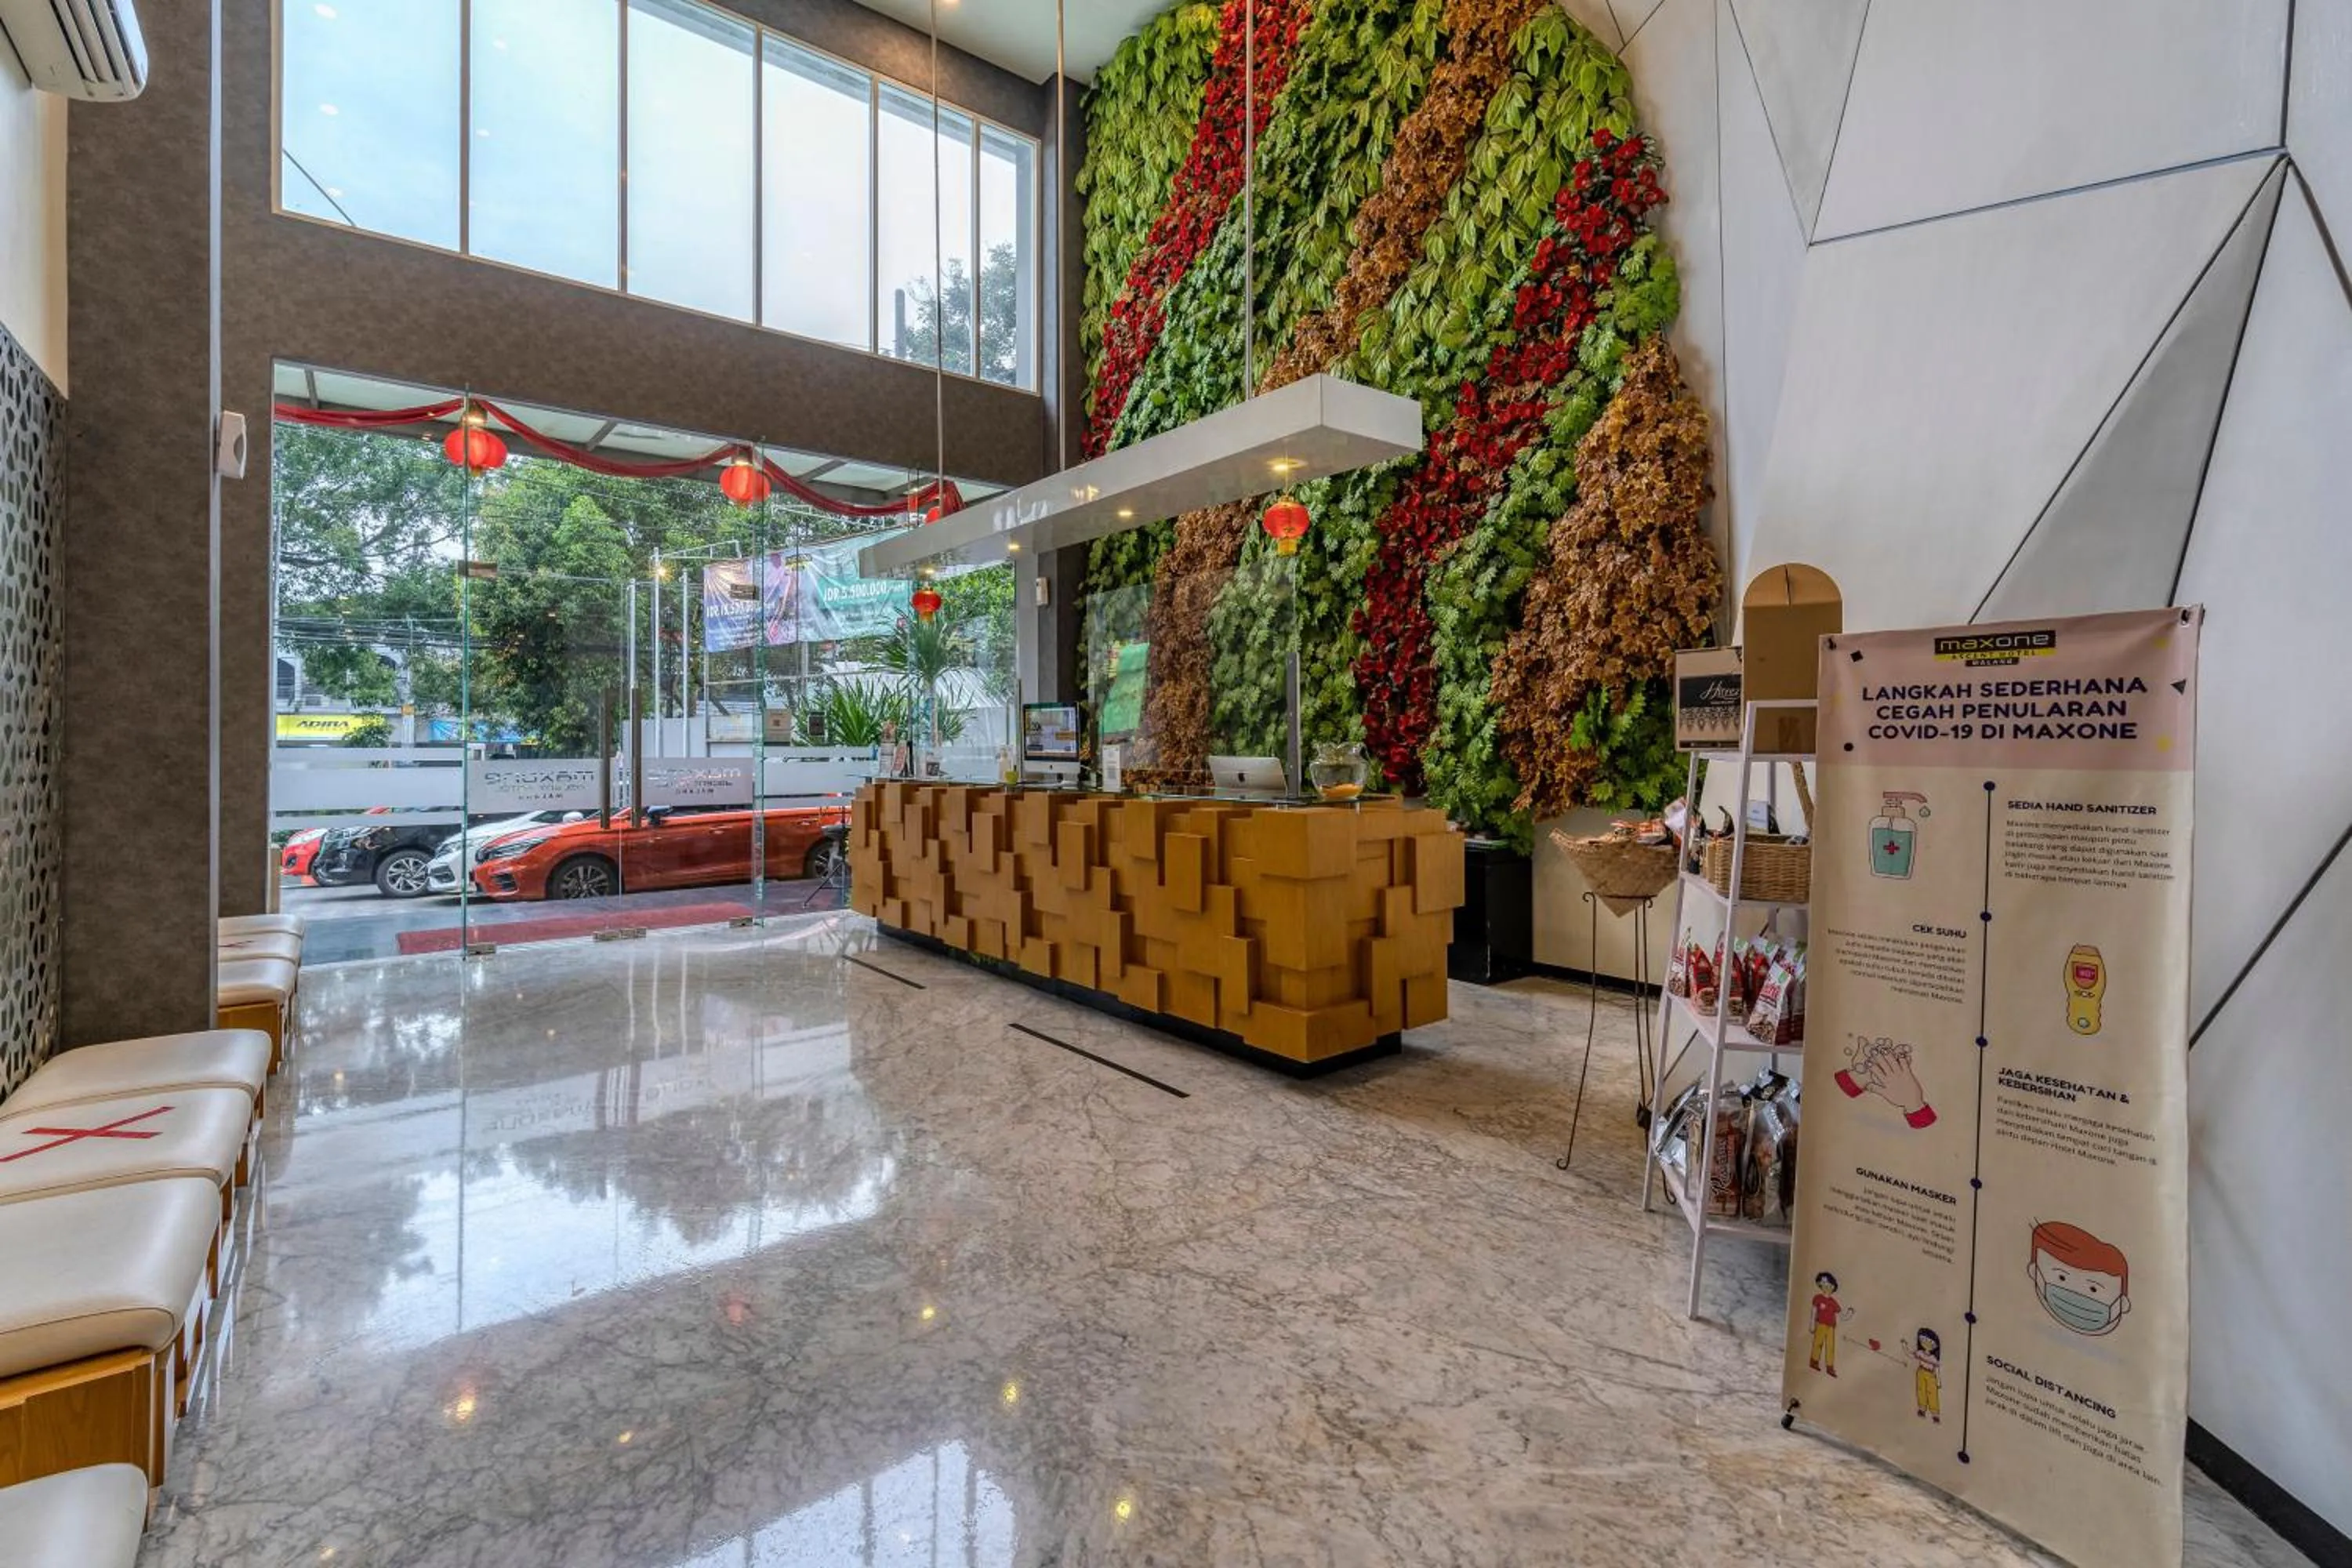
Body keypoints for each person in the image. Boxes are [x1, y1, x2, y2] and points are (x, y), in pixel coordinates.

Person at [1808, 1271, 1851, 1375]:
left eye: (1829, 1285)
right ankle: (1814, 1361)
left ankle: (1830, 1367)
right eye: (1823, 1284)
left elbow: (1842, 1316)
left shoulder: (1833, 1303)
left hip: (1831, 1327)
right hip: (1820, 1325)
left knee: (1830, 1347)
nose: (1826, 1287)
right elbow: (1813, 1312)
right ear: (1820, 1285)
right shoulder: (1817, 1298)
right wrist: (1812, 1325)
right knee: (1817, 1344)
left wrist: (1850, 1313)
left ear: (1833, 1287)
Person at [1910, 1328, 1943, 1421]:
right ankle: (1922, 1409)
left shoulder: (1933, 1358)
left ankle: (1935, 1414)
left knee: (1932, 1393)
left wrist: (1939, 1382)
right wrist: (1905, 1346)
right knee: (1921, 1390)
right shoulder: (1920, 1352)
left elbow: (1937, 1369)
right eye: (1923, 1340)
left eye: (1930, 1342)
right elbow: (1911, 1354)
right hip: (1921, 1372)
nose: (1926, 1343)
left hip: (1930, 1375)